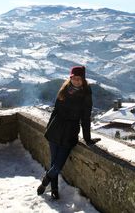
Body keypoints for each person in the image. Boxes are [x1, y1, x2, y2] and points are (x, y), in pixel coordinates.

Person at [37, 65, 100, 200]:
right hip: (55, 129)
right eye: (74, 78)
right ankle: (54, 190)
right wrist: (49, 127)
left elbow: (85, 118)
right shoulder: (64, 90)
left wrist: (87, 139)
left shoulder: (86, 94)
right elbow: (55, 111)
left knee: (58, 164)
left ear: (83, 79)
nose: (77, 81)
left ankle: (46, 180)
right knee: (54, 162)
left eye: (79, 79)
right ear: (70, 78)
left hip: (70, 133)